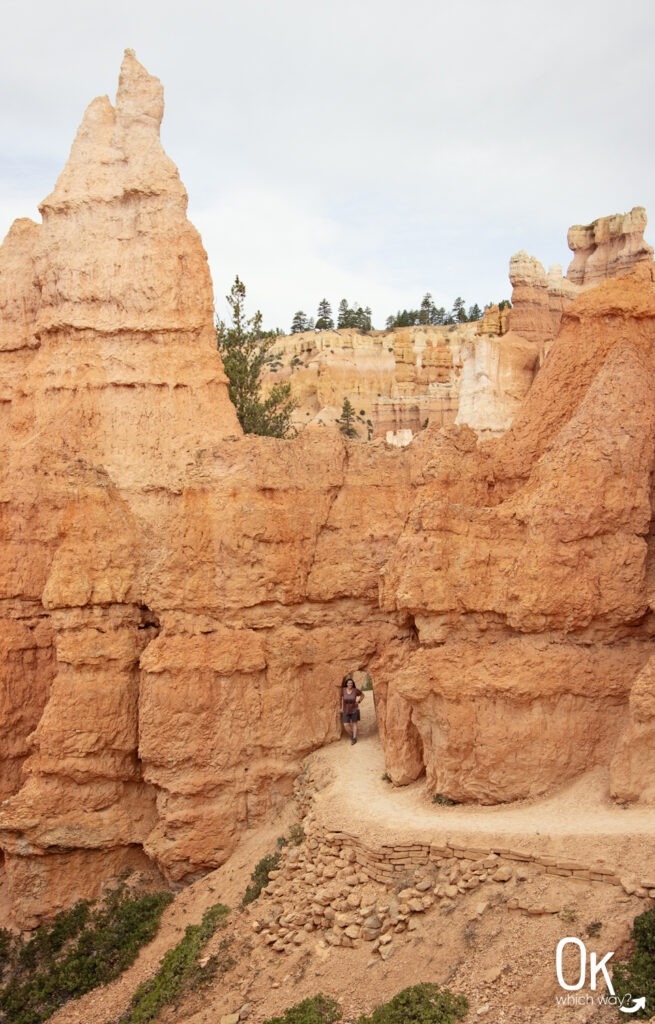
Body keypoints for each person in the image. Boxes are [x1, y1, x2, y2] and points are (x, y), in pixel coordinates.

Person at [341, 675, 364, 745]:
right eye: (348, 683)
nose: (350, 684)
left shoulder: (355, 690)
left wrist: (358, 701)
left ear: (352, 684)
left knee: (354, 724)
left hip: (354, 709)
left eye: (351, 683)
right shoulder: (343, 690)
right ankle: (352, 735)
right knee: (346, 725)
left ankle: (354, 738)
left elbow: (362, 695)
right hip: (346, 709)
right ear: (346, 684)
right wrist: (342, 708)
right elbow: (342, 699)